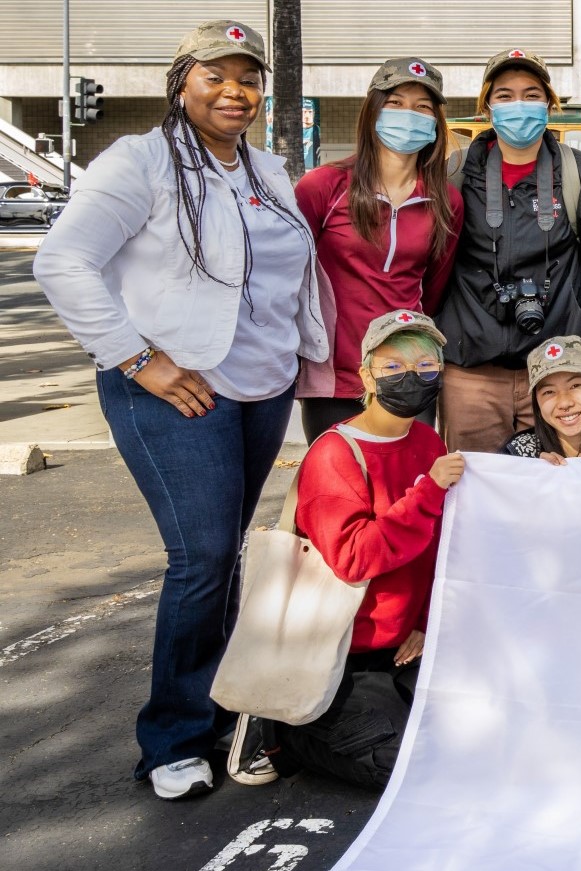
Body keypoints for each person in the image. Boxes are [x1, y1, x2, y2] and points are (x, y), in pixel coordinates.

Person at [34, 21, 329, 800]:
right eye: (216, 75)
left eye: (248, 78)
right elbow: (62, 260)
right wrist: (138, 358)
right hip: (174, 385)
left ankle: (224, 707)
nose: (235, 91)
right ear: (182, 81)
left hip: (259, 386)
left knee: (226, 552)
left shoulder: (264, 167)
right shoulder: (138, 161)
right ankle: (173, 737)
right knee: (199, 558)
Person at [237, 311, 463, 789]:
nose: (412, 377)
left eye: (426, 366)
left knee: (476, 737)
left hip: (403, 648)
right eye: (393, 367)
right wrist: (425, 493)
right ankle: (285, 731)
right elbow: (354, 558)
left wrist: (424, 622)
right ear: (365, 375)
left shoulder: (425, 440)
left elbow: (440, 546)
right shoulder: (335, 453)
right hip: (339, 654)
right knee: (409, 766)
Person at [437, 48, 581, 454]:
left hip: (558, 375)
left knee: (560, 497)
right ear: (487, 106)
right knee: (477, 490)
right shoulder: (452, 174)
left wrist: (572, 319)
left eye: (531, 94)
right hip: (472, 376)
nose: (518, 106)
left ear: (549, 104)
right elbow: (435, 264)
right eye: (504, 96)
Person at [294, 57, 462, 441]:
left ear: (436, 122)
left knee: (408, 490)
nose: (410, 115)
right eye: (396, 103)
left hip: (408, 371)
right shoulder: (323, 187)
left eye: (423, 107)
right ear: (373, 112)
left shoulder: (446, 200)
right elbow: (291, 278)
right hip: (335, 374)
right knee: (339, 488)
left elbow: (434, 288)